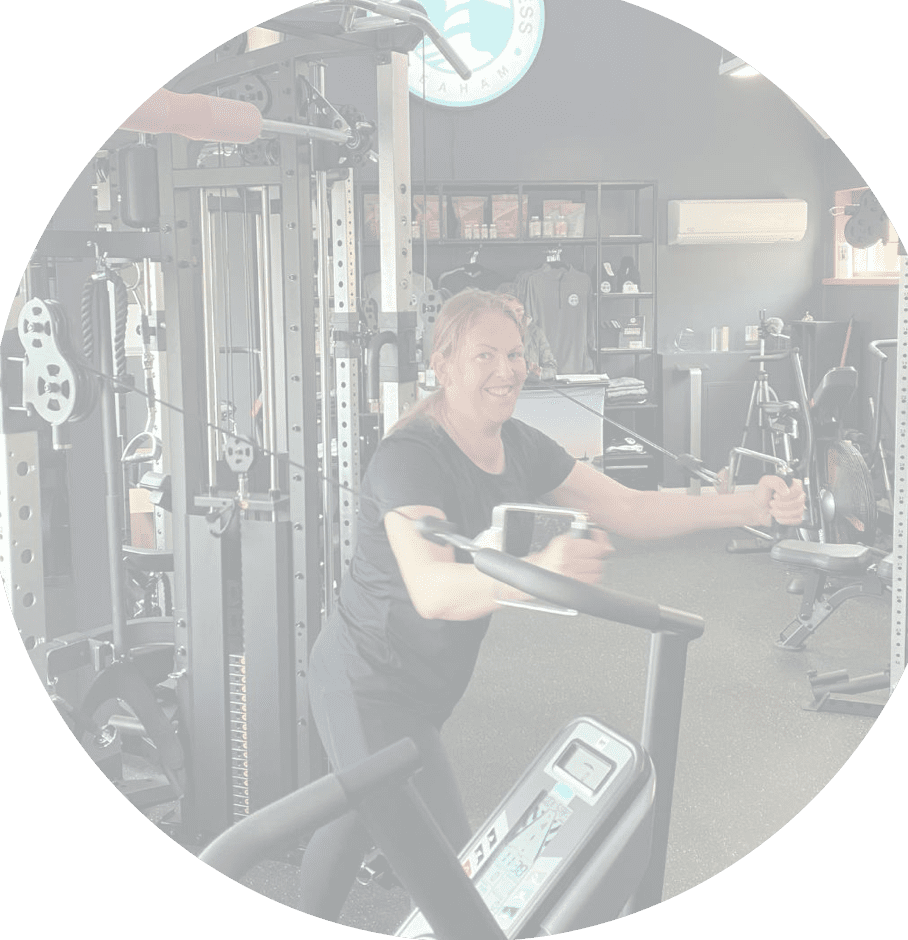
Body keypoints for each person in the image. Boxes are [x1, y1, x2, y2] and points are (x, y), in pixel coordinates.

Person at [299, 289, 805, 920]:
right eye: (485, 354)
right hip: (365, 683)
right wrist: (536, 572)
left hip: (425, 687)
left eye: (515, 353)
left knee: (353, 824)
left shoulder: (518, 443)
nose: (507, 369)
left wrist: (746, 506)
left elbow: (626, 507)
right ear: (443, 365)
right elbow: (432, 589)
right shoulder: (410, 457)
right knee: (457, 884)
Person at [498, 292, 558, 381]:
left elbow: (552, 368)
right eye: (512, 311)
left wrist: (540, 373)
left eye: (520, 310)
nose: (518, 313)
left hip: (531, 391)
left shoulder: (536, 333)